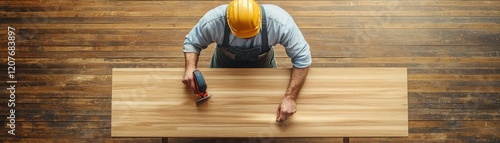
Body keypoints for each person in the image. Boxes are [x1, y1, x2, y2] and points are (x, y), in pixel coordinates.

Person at [181, 0, 311, 122]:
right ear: (228, 22)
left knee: (264, 112)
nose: (246, 40)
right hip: (223, 66)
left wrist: (290, 97)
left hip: (263, 68)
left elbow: (302, 58)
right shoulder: (214, 20)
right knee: (217, 115)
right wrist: (190, 68)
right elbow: (192, 42)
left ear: (260, 19)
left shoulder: (280, 22)